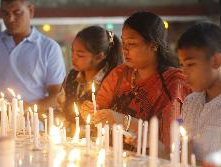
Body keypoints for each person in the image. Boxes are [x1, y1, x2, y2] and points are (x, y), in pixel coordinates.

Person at [81, 11, 191, 153]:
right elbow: (99, 109)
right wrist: (91, 111)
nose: (124, 49)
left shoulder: (173, 83)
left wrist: (124, 120)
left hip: (151, 165)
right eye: (123, 43)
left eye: (131, 44)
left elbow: (168, 143)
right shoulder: (120, 74)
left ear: (153, 46)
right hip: (113, 158)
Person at [0, 0, 66, 112]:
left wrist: (27, 109)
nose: (10, 19)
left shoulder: (49, 48)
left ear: (31, 10)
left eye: (17, 13)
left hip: (32, 124)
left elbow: (57, 97)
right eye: (5, 13)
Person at [178, 22, 221, 163]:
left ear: (216, 61)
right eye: (181, 65)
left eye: (190, 64)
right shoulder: (190, 102)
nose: (184, 72)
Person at [56, 25, 123, 133]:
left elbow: (112, 123)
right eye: (72, 51)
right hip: (70, 141)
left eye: (80, 55)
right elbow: (60, 107)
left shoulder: (111, 81)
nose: (73, 57)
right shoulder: (72, 76)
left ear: (99, 56)